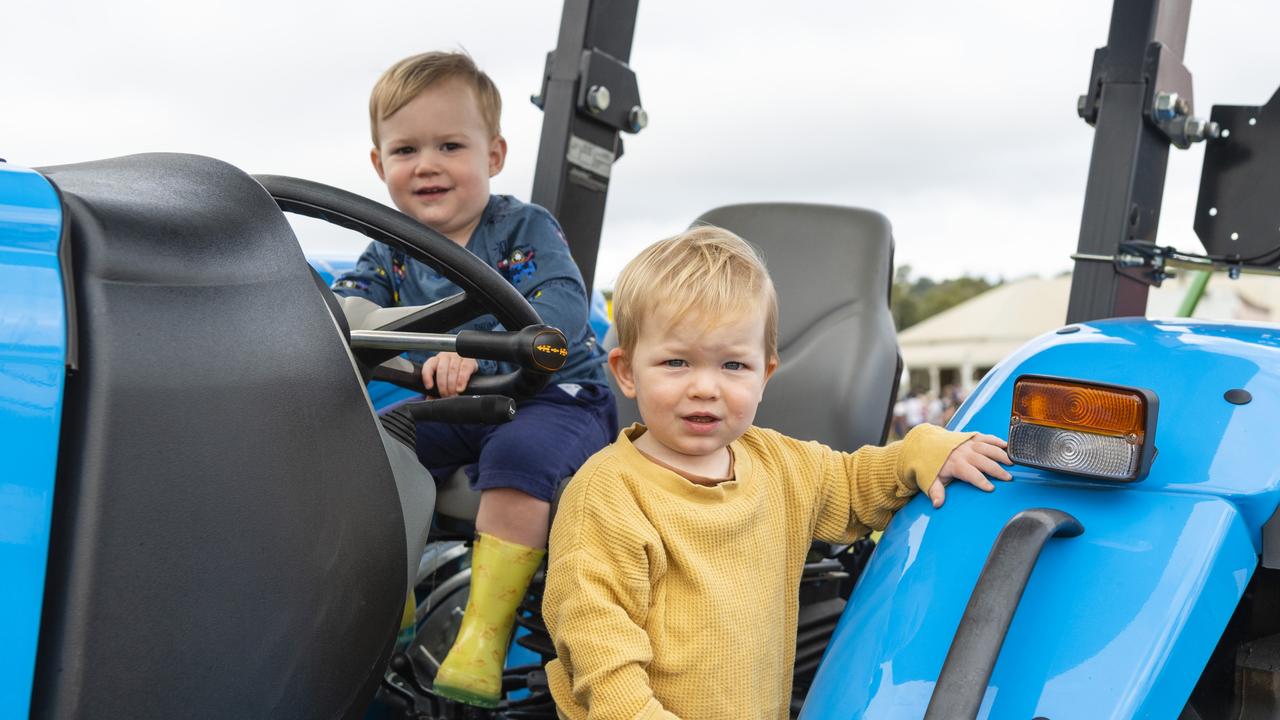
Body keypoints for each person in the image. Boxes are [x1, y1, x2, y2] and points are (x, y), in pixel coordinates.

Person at [542, 227, 1012, 719]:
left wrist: (923, 449)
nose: (706, 387)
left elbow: (854, 484)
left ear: (764, 375)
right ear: (627, 371)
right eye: (676, 362)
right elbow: (597, 645)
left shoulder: (779, 464)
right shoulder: (606, 495)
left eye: (733, 366)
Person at [331, 51, 617, 708]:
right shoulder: (386, 250)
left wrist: (487, 357)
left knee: (518, 456)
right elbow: (348, 306)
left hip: (558, 398)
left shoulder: (525, 229)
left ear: (494, 154)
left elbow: (562, 310)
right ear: (379, 166)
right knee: (369, 448)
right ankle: (386, 604)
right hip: (459, 406)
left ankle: (483, 636)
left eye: (450, 145)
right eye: (406, 149)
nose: (427, 163)